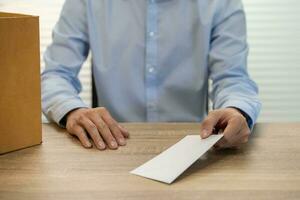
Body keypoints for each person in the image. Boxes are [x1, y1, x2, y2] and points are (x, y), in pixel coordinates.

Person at [42, 0, 261, 151]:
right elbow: (55, 74)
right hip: (111, 147)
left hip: (193, 148)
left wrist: (236, 109)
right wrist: (72, 110)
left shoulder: (221, 3)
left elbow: (233, 78)